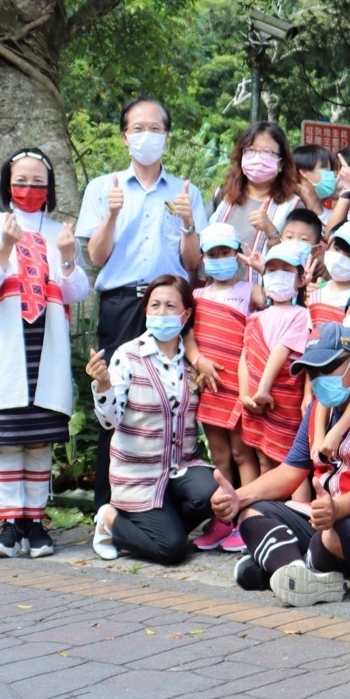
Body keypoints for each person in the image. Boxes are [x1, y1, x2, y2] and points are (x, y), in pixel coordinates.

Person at [214, 322, 350, 606]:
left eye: (326, 369)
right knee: (252, 512)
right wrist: (237, 497)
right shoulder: (319, 408)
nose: (318, 379)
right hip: (331, 518)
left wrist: (337, 509)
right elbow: (290, 472)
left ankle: (279, 566)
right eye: (313, 372)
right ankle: (302, 575)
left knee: (336, 535)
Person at [76, 97, 207, 508]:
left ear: (166, 136)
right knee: (113, 395)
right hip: (121, 303)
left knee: (172, 397)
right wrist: (112, 215)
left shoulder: (186, 191)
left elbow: (193, 263)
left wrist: (188, 223)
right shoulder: (103, 188)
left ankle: (163, 504)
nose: (146, 136)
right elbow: (96, 258)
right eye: (137, 128)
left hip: (170, 305)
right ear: (124, 137)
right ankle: (108, 506)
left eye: (154, 128)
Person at [0, 148, 90, 558]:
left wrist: (69, 257)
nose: (30, 189)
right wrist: (4, 246)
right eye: (22, 181)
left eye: (39, 182)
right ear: (7, 183)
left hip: (45, 344)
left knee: (39, 441)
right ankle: (8, 526)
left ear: (50, 188)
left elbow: (77, 292)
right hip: (6, 343)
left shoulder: (59, 230)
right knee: (7, 440)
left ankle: (35, 524)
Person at [85, 275, 217, 564]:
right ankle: (110, 520)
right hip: (139, 474)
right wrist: (104, 384)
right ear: (145, 310)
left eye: (170, 306)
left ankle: (159, 527)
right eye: (154, 305)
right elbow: (110, 421)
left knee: (212, 493)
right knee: (170, 551)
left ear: (186, 314)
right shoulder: (128, 355)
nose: (161, 312)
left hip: (180, 468)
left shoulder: (193, 362)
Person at [189, 223, 257, 552]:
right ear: (202, 257)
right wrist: (198, 359)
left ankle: (251, 518)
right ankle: (223, 519)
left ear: (237, 254)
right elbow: (188, 336)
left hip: (240, 384)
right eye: (212, 253)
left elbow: (270, 309)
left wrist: (258, 270)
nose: (219, 259)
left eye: (226, 252)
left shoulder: (249, 290)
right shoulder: (197, 295)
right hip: (211, 385)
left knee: (242, 452)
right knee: (219, 455)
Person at [239, 240, 313, 471]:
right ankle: (264, 507)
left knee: (290, 462)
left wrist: (263, 389)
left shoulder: (301, 315)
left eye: (286, 270)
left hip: (282, 399)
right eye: (271, 270)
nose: (278, 275)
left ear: (301, 279)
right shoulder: (256, 316)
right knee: (262, 458)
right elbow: (245, 355)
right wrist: (244, 394)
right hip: (256, 398)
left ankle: (297, 506)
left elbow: (282, 350)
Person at [207, 122, 307, 277]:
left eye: (267, 153)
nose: (257, 158)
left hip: (263, 297)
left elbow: (299, 260)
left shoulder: (293, 206)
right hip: (217, 296)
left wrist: (270, 230)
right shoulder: (222, 196)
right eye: (251, 151)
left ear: (281, 164)